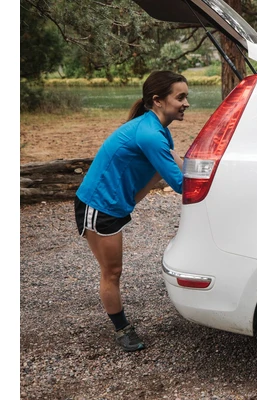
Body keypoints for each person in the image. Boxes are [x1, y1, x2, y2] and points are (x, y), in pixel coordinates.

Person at [74, 70, 189, 352]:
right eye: (180, 97)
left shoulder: (158, 129)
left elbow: (165, 169)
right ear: (158, 100)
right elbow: (180, 184)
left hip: (116, 204)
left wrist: (131, 202)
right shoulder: (150, 134)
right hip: (98, 206)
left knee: (113, 270)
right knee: (112, 271)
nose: (186, 103)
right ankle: (122, 329)